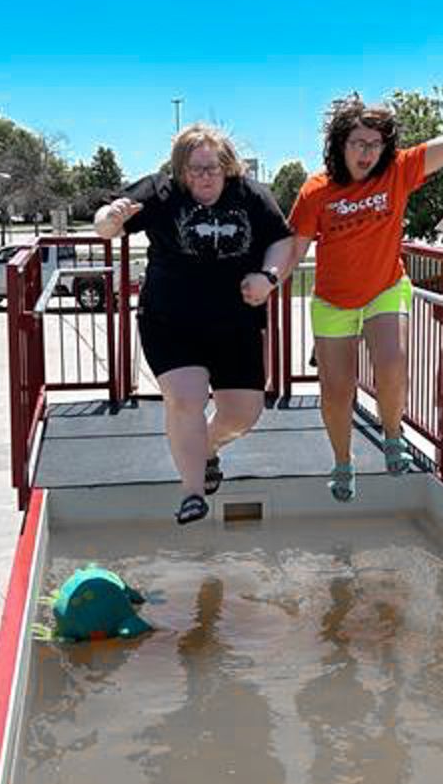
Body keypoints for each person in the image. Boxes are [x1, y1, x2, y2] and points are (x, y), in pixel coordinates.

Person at [285, 49, 443, 501]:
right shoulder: (316, 190)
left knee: (392, 361)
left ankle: (393, 435)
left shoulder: (397, 171)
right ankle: (343, 462)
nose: (367, 152)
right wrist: (268, 277)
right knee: (336, 392)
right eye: (358, 143)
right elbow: (295, 246)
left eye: (375, 145)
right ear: (340, 144)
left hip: (384, 287)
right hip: (334, 300)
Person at [94, 125, 296, 525]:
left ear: (227, 167)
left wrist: (269, 277)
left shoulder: (251, 195)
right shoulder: (161, 192)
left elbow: (282, 240)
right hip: (170, 321)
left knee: (243, 414)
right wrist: (111, 217)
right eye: (195, 169)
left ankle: (208, 447)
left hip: (235, 323)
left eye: (213, 168)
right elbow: (105, 225)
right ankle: (191, 491)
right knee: (186, 398)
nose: (205, 176)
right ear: (181, 171)